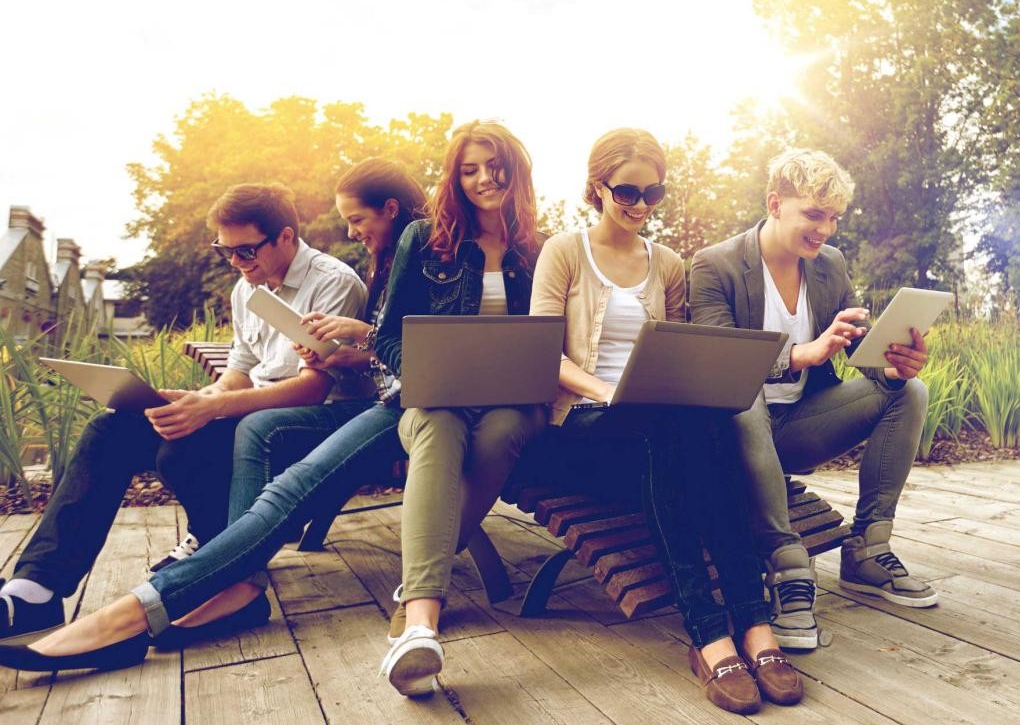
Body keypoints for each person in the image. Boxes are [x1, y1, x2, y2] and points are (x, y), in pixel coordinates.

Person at [0, 182, 366, 643]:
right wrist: (197, 399)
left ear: (287, 237)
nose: (236, 263)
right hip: (248, 412)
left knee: (183, 448)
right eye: (225, 252)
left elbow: (314, 388)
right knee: (110, 429)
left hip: (308, 424)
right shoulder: (245, 288)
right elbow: (239, 371)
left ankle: (218, 560)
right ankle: (35, 588)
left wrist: (212, 408)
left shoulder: (332, 282)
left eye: (247, 251)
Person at [529, 128, 802, 715]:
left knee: (703, 430)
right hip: (579, 427)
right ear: (596, 186)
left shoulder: (670, 264)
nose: (640, 205)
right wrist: (608, 391)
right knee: (672, 432)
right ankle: (711, 631)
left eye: (655, 193)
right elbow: (541, 354)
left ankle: (751, 627)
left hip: (655, 433)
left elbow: (678, 354)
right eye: (627, 190)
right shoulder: (564, 251)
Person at [689, 148, 934, 652]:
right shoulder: (714, 266)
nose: (825, 230)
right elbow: (718, 365)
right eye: (814, 215)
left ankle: (868, 548)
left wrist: (889, 364)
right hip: (734, 431)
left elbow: (851, 353)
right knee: (743, 396)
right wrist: (802, 352)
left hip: (801, 424)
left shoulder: (828, 265)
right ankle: (786, 563)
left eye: (834, 218)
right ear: (775, 204)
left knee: (908, 391)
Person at [371, 120, 547, 697]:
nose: (482, 180)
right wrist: (420, 376)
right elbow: (386, 333)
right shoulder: (423, 238)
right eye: (468, 170)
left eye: (494, 168)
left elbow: (552, 338)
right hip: (437, 397)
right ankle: (422, 622)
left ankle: (412, 599)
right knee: (439, 429)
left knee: (501, 435)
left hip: (509, 401)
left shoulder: (537, 250)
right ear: (455, 177)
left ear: (515, 172)